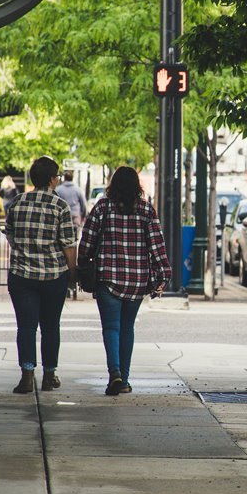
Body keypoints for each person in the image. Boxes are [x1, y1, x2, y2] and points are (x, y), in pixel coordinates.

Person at [78, 166, 171, 395]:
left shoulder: (102, 207)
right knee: (127, 328)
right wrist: (163, 274)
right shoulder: (146, 210)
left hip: (108, 277)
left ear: (114, 184)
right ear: (137, 186)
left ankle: (115, 374)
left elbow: (87, 241)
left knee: (111, 327)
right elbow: (157, 246)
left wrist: (82, 263)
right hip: (138, 280)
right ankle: (125, 380)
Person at [4, 156, 77, 394]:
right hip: (53, 276)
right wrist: (73, 272)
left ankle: (26, 376)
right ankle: (49, 375)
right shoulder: (60, 206)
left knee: (26, 326)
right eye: (57, 176)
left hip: (22, 275)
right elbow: (68, 244)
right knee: (51, 326)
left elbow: (10, 235)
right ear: (52, 180)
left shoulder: (17, 202)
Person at [55, 170, 88, 237]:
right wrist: (83, 216)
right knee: (75, 236)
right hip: (75, 216)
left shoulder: (58, 190)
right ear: (72, 178)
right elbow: (84, 205)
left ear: (65, 178)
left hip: (63, 217)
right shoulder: (78, 190)